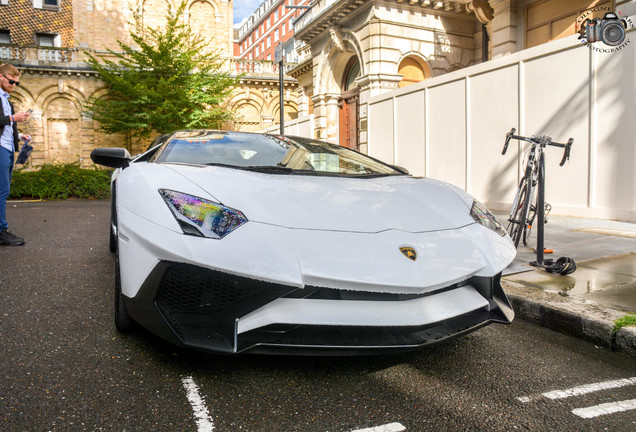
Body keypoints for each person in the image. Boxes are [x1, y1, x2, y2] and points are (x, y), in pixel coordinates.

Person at [0, 64, 31, 246]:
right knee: (2, 191)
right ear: (1, 77)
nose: (13, 85)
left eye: (16, 83)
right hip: (0, 149)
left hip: (8, 147)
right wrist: (13, 118)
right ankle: (2, 231)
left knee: (4, 191)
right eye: (11, 81)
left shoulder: (7, 100)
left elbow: (5, 127)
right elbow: (6, 121)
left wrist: (20, 135)